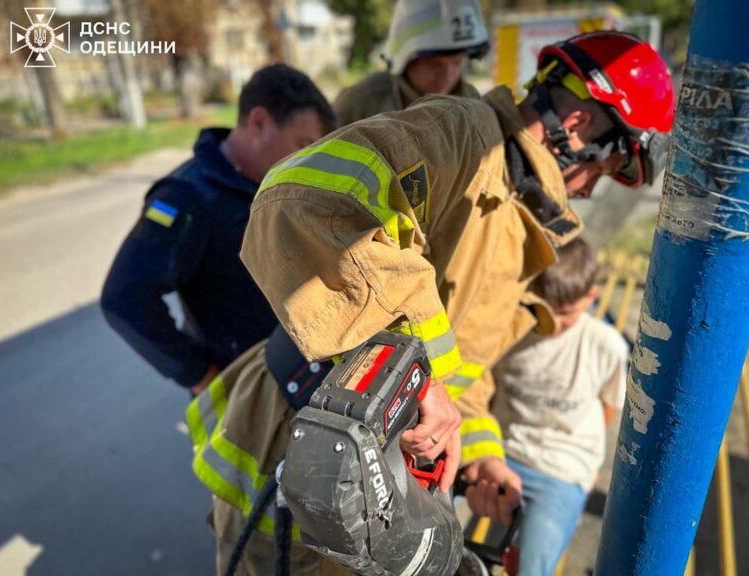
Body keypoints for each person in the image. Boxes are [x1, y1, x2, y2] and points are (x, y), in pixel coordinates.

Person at [186, 31, 674, 575]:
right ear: (580, 127)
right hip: (304, 444)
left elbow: (469, 364)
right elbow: (302, 198)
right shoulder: (463, 137)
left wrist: (484, 450)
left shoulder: (523, 216)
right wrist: (428, 377)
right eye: (603, 171)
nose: (587, 191)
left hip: (374, 476)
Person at [100, 65, 334, 395]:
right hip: (246, 394)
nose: (308, 160)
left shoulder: (274, 182)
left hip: (298, 376)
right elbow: (125, 298)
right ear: (259, 122)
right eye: (303, 144)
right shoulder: (188, 199)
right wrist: (203, 377)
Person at [490, 238, 628, 576]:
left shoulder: (605, 346)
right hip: (499, 448)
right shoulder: (509, 329)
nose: (553, 322)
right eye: (544, 310)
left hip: (561, 467)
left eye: (565, 314)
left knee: (532, 567)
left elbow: (608, 407)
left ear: (590, 298)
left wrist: (586, 463)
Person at [333, 0, 489, 127]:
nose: (447, 76)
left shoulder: (472, 100)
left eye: (456, 62)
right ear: (405, 60)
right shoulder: (361, 103)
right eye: (435, 64)